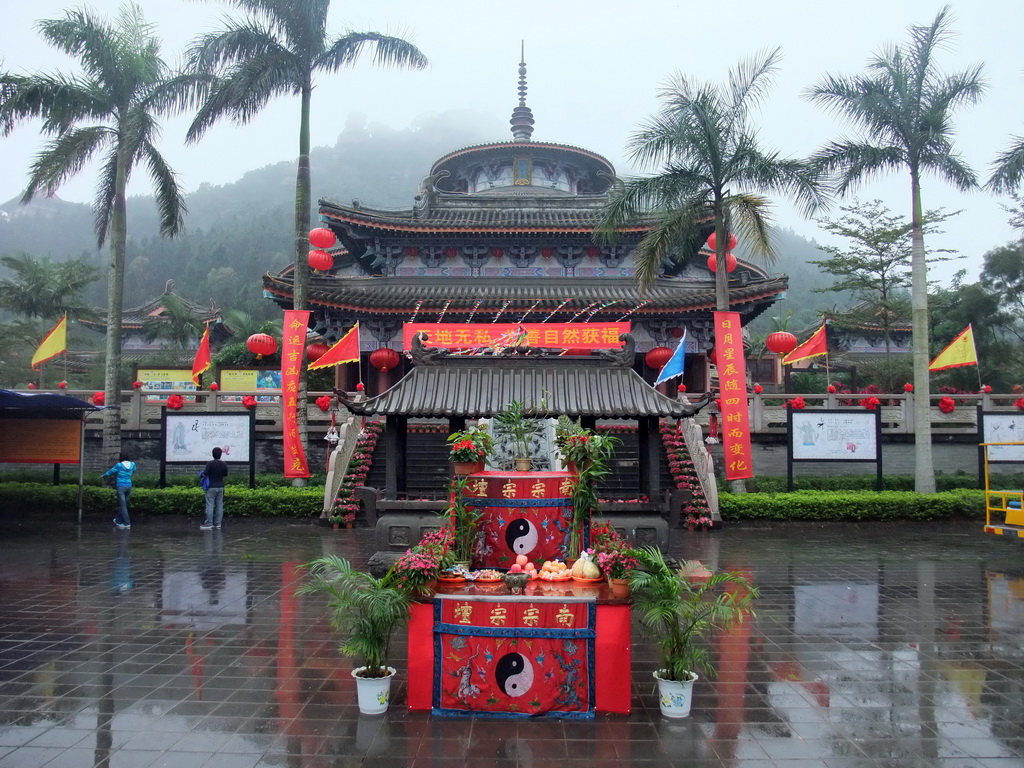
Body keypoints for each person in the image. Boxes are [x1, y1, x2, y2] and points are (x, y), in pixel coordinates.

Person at [103, 452, 137, 529]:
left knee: (123, 506)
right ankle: (118, 520)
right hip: (129, 486)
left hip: (121, 486)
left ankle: (127, 523)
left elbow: (110, 472)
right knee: (124, 505)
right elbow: (134, 470)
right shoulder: (133, 464)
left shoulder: (119, 465)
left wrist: (103, 475)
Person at [199, 447, 228, 531]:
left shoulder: (210, 464)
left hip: (211, 487)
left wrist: (201, 475)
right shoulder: (224, 464)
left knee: (210, 505)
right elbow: (225, 474)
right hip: (220, 487)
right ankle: (218, 524)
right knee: (219, 505)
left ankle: (209, 524)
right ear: (221, 454)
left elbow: (204, 474)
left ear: (212, 454)